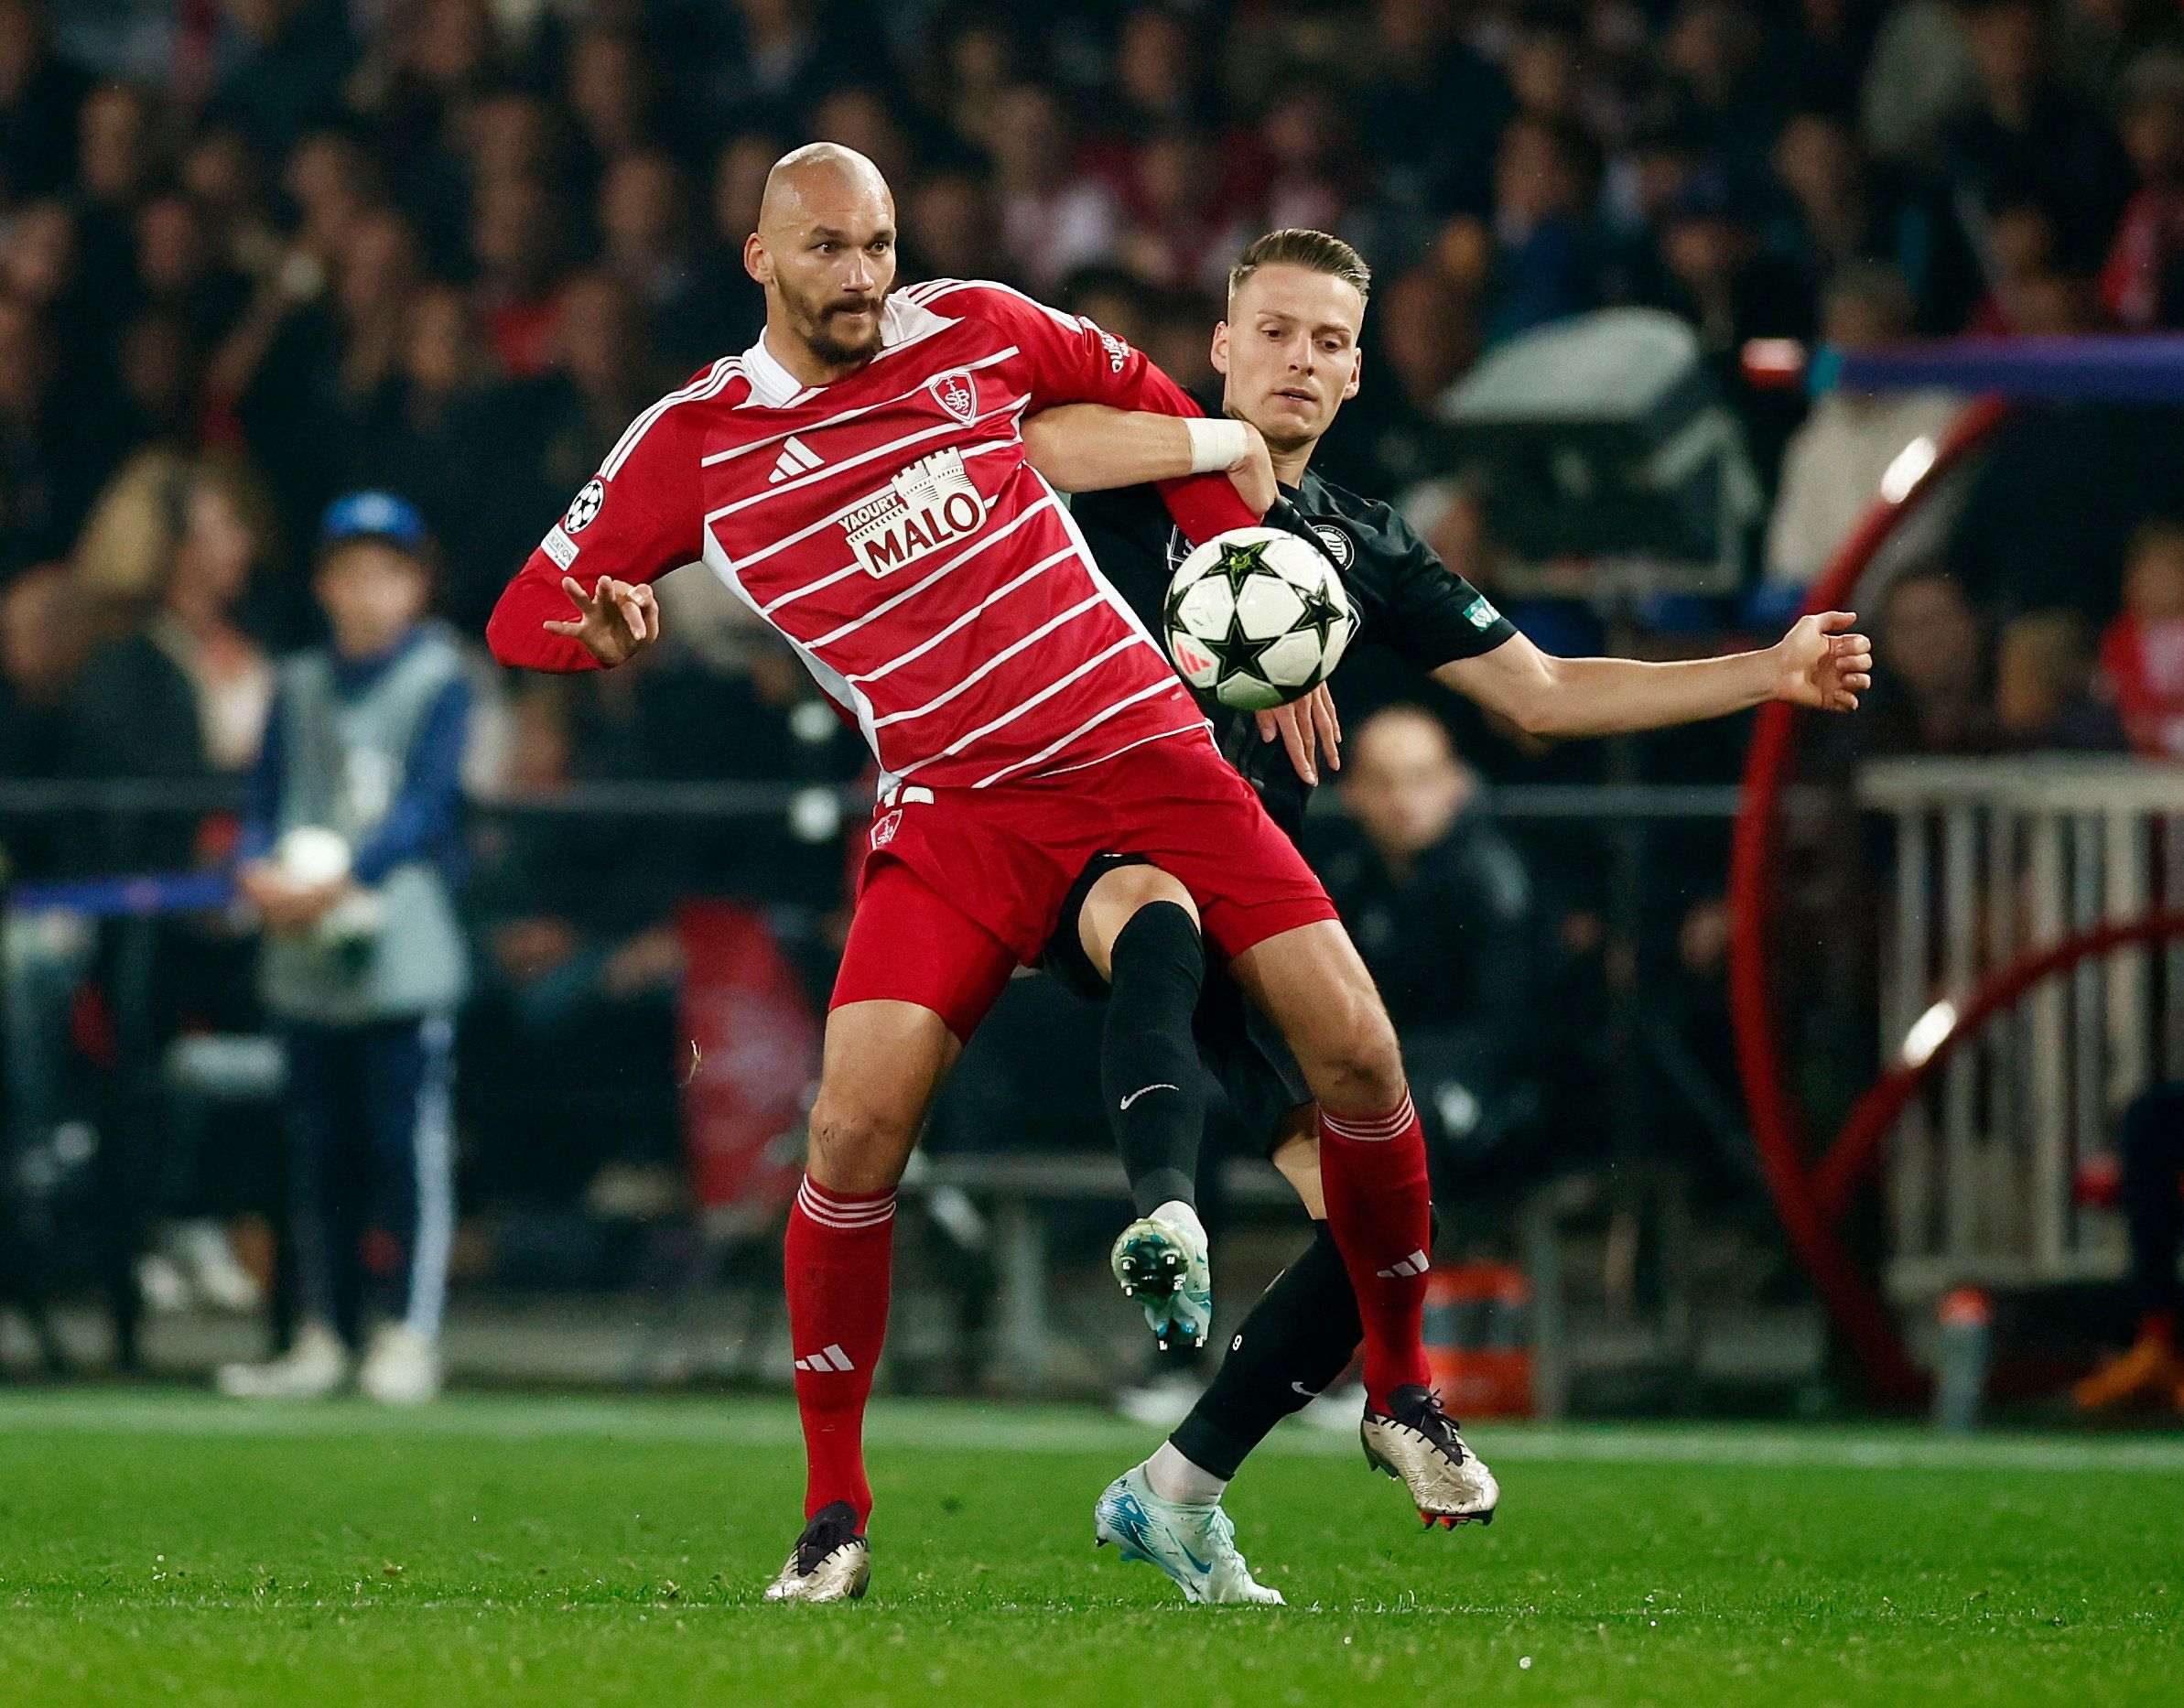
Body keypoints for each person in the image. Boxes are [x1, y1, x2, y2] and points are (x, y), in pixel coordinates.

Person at [487, 146, 1488, 1605]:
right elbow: (525, 611)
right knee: (848, 1133)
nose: (861, 275)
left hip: (1141, 745)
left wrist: (1242, 597)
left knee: (1358, 1052)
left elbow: (1171, 420)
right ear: (759, 257)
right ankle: (833, 1509)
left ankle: (1396, 1389)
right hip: (955, 806)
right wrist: (605, 627)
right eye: (827, 248)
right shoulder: (692, 442)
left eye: (879, 243)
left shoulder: (979, 326)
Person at [1011, 227, 1872, 1604]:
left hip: (1257, 904)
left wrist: (1761, 671)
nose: (1299, 361)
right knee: (1157, 922)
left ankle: (1175, 1488)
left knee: (1376, 1210)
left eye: (1328, 342)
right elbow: (1030, 447)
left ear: (1357, 372)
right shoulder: (1137, 458)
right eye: (1274, 331)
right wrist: (1214, 484)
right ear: (1221, 344)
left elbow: (1541, 693)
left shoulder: (1358, 540)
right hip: (1085, 853)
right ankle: (1173, 1217)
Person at [217, 492, 471, 1407]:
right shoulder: (297, 684)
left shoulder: (440, 677)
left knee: (405, 1149)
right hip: (304, 947)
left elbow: (428, 806)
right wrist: (255, 870)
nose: (368, 592)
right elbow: (264, 800)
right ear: (325, 585)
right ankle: (324, 1329)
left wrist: (346, 872)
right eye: (351, 573)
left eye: (387, 574)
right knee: (317, 1151)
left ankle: (410, 1333)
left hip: (397, 946)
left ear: (414, 585)